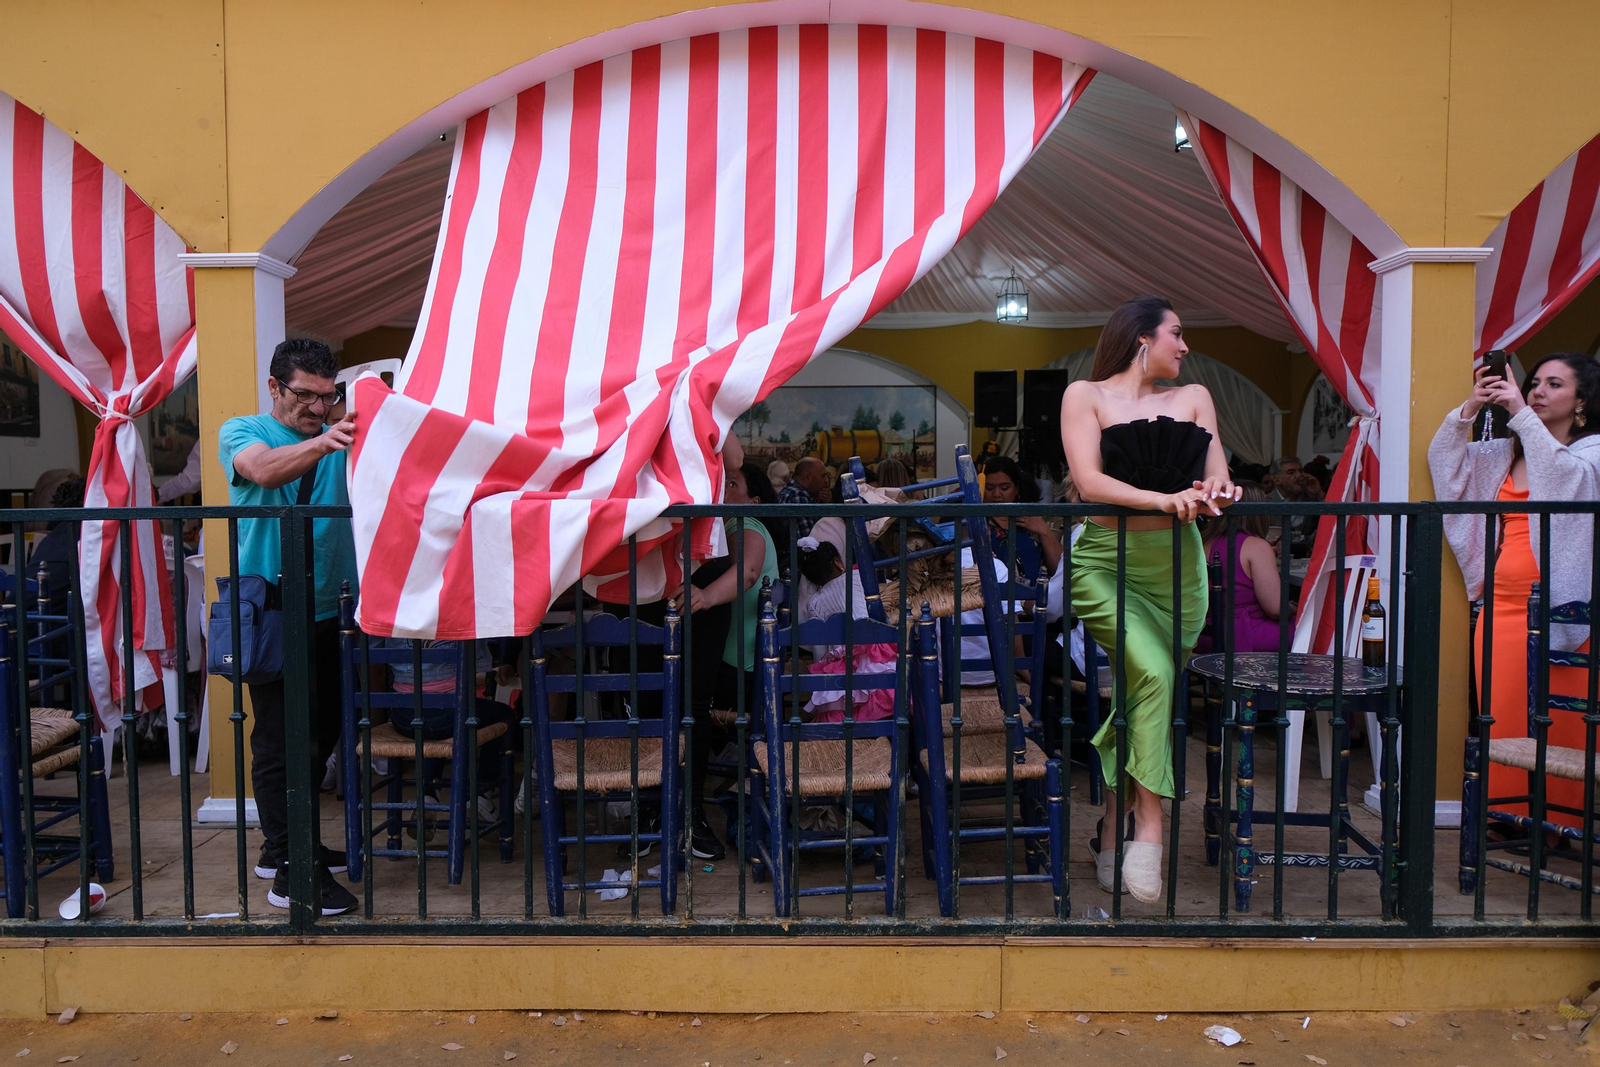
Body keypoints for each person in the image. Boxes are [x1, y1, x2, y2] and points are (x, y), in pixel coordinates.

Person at [1060, 294, 1239, 904]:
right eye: (1177, 334)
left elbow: (1214, 466)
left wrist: (1217, 485)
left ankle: (1113, 826)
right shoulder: (1084, 396)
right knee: (1157, 676)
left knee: (1142, 692)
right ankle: (1152, 830)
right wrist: (1162, 501)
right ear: (1142, 337)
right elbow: (1088, 482)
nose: (1185, 347)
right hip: (1105, 564)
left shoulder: (1193, 399)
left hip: (1177, 571)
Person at [1429, 351, 1600, 829]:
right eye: (1534, 384)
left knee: (1558, 718)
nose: (1538, 391)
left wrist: (1522, 418)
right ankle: (1507, 815)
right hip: (1500, 605)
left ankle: (1561, 822)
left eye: (1554, 384)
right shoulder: (1506, 453)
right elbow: (1445, 465)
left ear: (1581, 400)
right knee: (1501, 714)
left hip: (1563, 607)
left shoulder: (1593, 451)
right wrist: (1469, 408)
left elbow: (1565, 481)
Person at [218, 338, 359, 916]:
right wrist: (326, 443)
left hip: (331, 607)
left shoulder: (336, 433)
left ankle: (286, 844)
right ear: (275, 388)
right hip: (273, 605)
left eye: (328, 398)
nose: (318, 408)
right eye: (305, 395)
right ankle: (288, 868)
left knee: (320, 733)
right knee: (281, 739)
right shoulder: (243, 429)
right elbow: (259, 471)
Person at [673, 460, 781, 860]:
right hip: (750, 672)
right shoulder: (729, 528)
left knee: (684, 702)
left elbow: (748, 572)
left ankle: (681, 807)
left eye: (731, 483)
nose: (723, 487)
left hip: (739, 677)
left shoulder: (744, 524)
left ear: (752, 499)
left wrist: (703, 597)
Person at [1198, 485, 1283, 653]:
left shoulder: (1202, 541)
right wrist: (1293, 607)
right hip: (1242, 636)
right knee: (1308, 630)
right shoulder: (1257, 547)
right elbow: (1275, 609)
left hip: (1203, 634)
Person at [979, 454, 1062, 579]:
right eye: (989, 488)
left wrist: (1044, 531)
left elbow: (1060, 570)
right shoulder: (974, 521)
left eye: (1004, 488)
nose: (997, 494)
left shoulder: (1031, 521)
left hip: (1034, 596)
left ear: (1017, 489)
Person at [779, 456, 829, 537]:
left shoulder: (794, 491)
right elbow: (809, 539)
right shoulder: (797, 495)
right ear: (807, 477)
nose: (826, 480)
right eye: (823, 476)